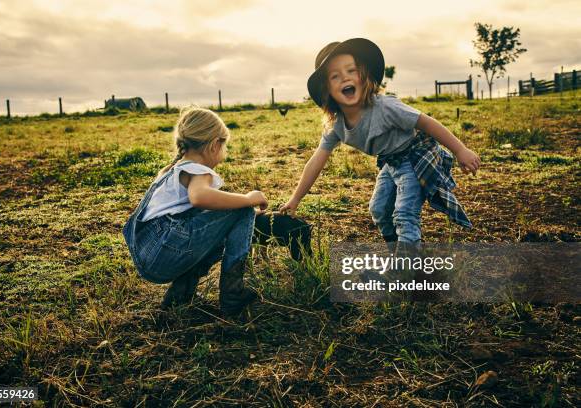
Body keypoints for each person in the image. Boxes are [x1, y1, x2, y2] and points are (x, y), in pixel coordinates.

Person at [280, 38, 480, 250]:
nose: (345, 78)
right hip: (390, 163)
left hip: (414, 157)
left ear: (364, 75)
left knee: (404, 214)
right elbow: (315, 162)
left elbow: (426, 122)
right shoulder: (335, 125)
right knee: (379, 210)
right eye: (335, 76)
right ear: (326, 89)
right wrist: (295, 199)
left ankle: (406, 269)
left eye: (351, 70)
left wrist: (460, 150)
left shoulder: (385, 107)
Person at [122, 107, 268, 315]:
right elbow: (199, 197)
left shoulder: (172, 170)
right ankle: (233, 293)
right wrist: (247, 200)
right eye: (224, 146)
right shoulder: (198, 170)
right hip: (166, 247)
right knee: (242, 211)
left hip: (147, 253)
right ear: (215, 145)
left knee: (220, 224)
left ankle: (180, 294)